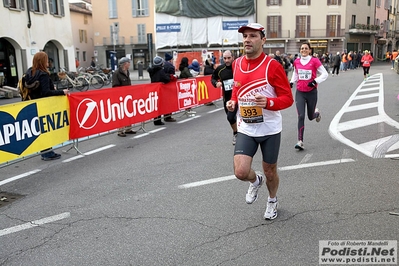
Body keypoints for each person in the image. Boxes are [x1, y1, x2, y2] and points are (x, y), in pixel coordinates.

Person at [226, 23, 294, 220]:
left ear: (263, 40)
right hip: (246, 126)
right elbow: (237, 88)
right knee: (240, 171)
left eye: (253, 36)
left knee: (270, 172)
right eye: (245, 36)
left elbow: (287, 98)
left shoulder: (272, 66)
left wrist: (269, 102)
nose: (247, 39)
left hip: (269, 129)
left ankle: (272, 200)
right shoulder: (237, 63)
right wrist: (233, 101)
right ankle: (256, 181)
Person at [23, 51, 69, 161]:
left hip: (33, 104)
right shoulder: (43, 74)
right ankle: (47, 153)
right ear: (43, 61)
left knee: (41, 129)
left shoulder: (29, 73)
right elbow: (46, 92)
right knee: (46, 128)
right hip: (44, 105)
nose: (48, 62)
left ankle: (45, 151)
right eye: (47, 60)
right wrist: (62, 92)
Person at [290, 41, 328, 150]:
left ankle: (316, 114)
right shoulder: (297, 61)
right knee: (301, 116)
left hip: (311, 92)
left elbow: (325, 74)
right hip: (300, 92)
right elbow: (295, 73)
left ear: (310, 50)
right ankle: (300, 141)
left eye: (306, 48)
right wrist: (292, 81)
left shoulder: (315, 61)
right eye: (302, 48)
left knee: (310, 117)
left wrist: (315, 81)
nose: (304, 50)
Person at [211, 50, 238, 145]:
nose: (227, 60)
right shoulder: (220, 69)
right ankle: (236, 132)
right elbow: (213, 78)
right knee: (230, 118)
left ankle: (246, 137)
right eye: (225, 58)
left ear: (233, 57)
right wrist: (216, 83)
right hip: (228, 98)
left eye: (229, 58)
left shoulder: (238, 67)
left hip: (240, 97)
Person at [112, 57, 136, 136]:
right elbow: (115, 86)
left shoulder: (127, 72)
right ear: (125, 64)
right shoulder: (116, 73)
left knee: (128, 112)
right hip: (121, 97)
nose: (130, 64)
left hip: (128, 96)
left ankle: (128, 128)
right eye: (129, 63)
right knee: (121, 113)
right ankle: (120, 131)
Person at [148, 56, 171, 125]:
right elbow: (166, 79)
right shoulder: (160, 71)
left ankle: (156, 119)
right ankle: (158, 120)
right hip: (160, 89)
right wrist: (168, 76)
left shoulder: (151, 70)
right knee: (160, 105)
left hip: (153, 89)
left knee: (156, 104)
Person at [162, 53, 177, 122]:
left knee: (164, 102)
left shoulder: (163, 65)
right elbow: (172, 75)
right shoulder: (170, 66)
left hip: (163, 85)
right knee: (169, 101)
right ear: (170, 60)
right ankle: (168, 116)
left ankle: (166, 115)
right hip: (169, 85)